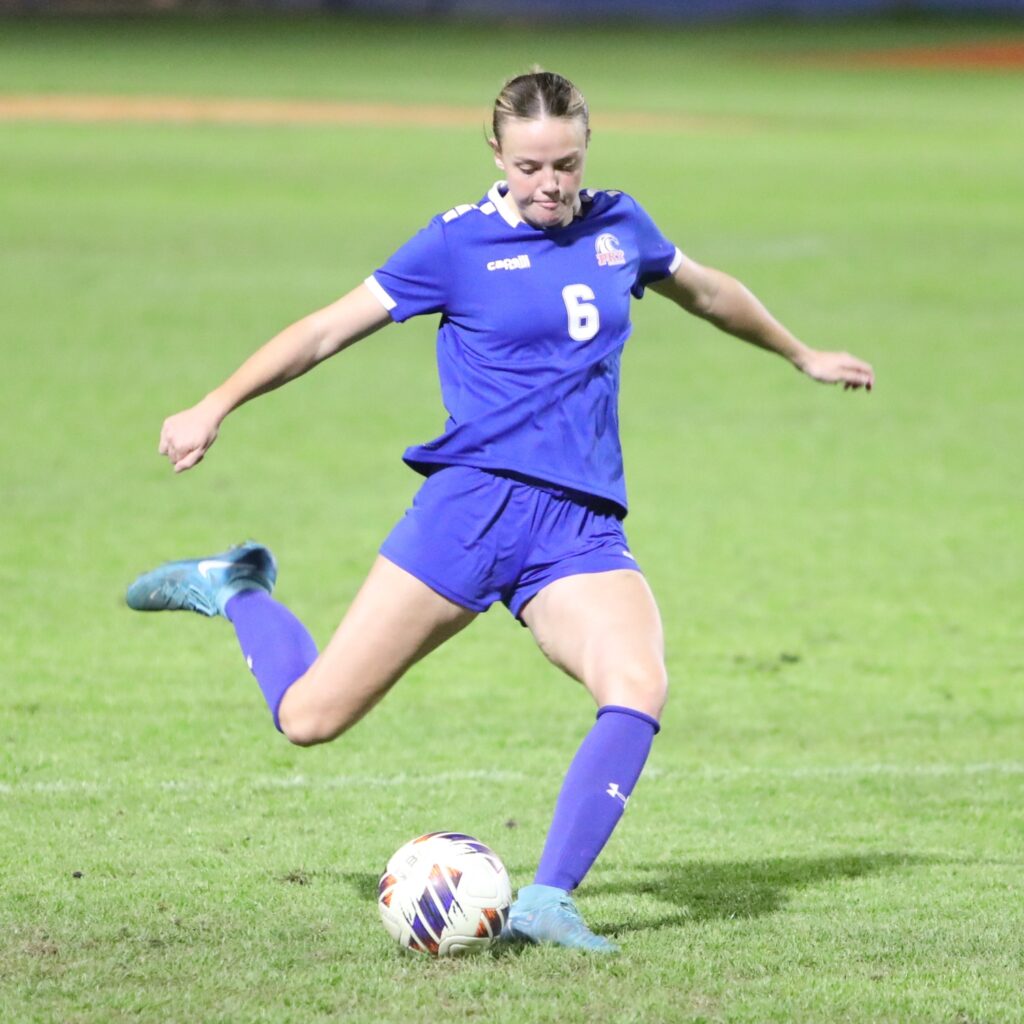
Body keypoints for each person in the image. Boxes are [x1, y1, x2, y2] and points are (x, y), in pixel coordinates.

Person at [126, 70, 874, 954]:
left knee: (637, 684)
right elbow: (326, 329)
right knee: (309, 719)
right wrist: (216, 403)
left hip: (578, 527)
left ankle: (549, 898)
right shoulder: (455, 244)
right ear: (496, 156)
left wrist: (800, 352)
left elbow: (708, 290)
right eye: (529, 167)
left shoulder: (618, 226)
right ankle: (239, 588)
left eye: (565, 163)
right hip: (471, 513)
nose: (550, 184)